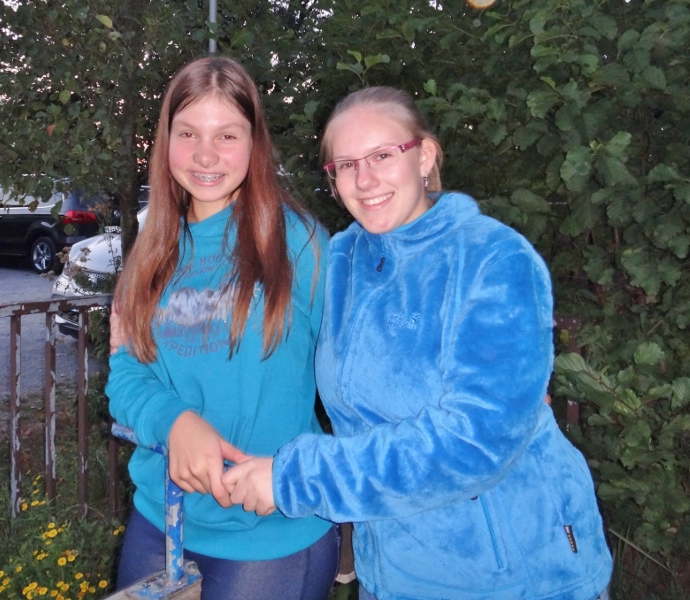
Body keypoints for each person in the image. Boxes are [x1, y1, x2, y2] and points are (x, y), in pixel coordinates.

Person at [222, 87, 613, 600]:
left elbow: (475, 441)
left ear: (424, 156)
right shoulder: (339, 263)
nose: (364, 180)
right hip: (392, 575)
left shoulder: (493, 259)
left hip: (518, 576)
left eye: (383, 156)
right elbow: (261, 337)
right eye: (346, 165)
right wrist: (145, 330)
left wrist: (297, 478)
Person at [105, 56, 338, 600]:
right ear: (165, 141)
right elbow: (126, 373)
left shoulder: (299, 244)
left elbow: (362, 380)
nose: (205, 155)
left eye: (227, 135)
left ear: (255, 144)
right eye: (187, 133)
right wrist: (174, 421)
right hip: (159, 521)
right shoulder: (153, 247)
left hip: (270, 534)